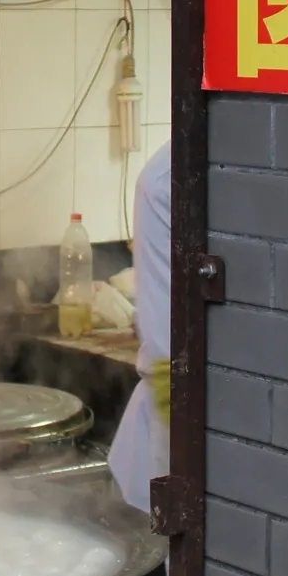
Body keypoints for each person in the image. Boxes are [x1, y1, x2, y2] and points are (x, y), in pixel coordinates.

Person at [109, 140, 171, 516]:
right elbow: (167, 346)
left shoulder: (162, 184)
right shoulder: (164, 185)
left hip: (175, 427)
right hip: (170, 431)